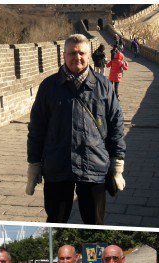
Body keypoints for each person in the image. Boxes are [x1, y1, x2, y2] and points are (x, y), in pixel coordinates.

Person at [26, 34, 126, 225]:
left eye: (81, 53)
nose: (77, 57)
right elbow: (37, 128)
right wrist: (34, 164)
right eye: (72, 53)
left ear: (89, 56)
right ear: (63, 55)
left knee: (95, 224)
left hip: (94, 166)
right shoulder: (49, 87)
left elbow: (116, 126)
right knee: (56, 223)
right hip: (58, 167)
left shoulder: (103, 85)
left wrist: (117, 164)